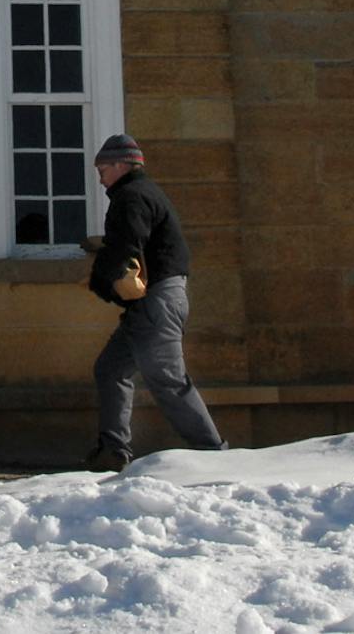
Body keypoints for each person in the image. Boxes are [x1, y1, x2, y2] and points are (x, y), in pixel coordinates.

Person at [84, 133, 226, 470]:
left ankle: (214, 455)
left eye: (103, 168)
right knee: (111, 369)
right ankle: (113, 451)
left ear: (122, 165)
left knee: (167, 379)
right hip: (156, 301)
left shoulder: (131, 197)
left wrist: (102, 279)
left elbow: (127, 245)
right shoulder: (142, 193)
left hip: (156, 302)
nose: (100, 176)